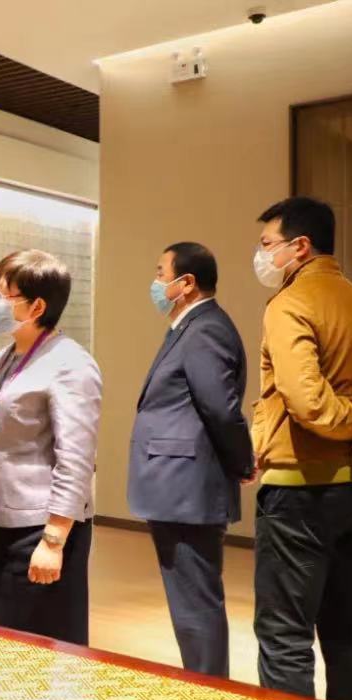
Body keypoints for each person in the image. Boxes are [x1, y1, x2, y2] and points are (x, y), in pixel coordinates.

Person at [251, 196, 352, 700]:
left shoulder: (290, 304)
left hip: (302, 487)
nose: (261, 255)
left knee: (285, 633)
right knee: (344, 625)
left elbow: (309, 402)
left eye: (267, 244)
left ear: (300, 246)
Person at [0, 249, 102, 645]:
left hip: (39, 527)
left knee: (43, 650)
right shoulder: (3, 357)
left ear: (37, 306)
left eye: (1, 293)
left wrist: (54, 539)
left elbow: (76, 461)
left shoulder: (71, 363)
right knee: (4, 641)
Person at [127, 242, 253, 677]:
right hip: (177, 486)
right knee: (190, 602)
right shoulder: (190, 327)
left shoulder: (206, 329)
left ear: (187, 283)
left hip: (187, 488)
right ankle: (203, 684)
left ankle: (209, 690)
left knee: (196, 602)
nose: (156, 282)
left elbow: (221, 409)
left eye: (161, 273)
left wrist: (242, 462)